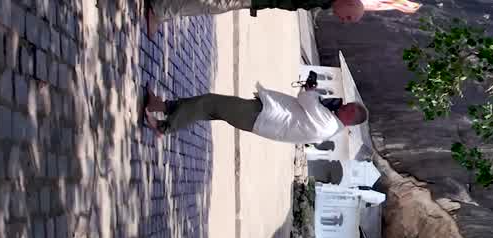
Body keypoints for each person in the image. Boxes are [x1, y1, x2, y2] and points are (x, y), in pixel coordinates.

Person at [142, 72, 367, 144]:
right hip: (263, 114)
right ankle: (161, 106)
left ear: (349, 115)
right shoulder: (330, 126)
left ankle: (164, 128)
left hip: (262, 117)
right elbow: (307, 102)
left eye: (346, 106)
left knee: (209, 103)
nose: (341, 105)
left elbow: (307, 100)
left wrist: (311, 89)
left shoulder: (328, 123)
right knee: (209, 108)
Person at [144, 0, 364, 36]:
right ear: (349, 3)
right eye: (348, 17)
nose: (343, 20)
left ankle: (163, 10)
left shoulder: (324, 4)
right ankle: (160, 10)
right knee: (214, 4)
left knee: (214, 5)